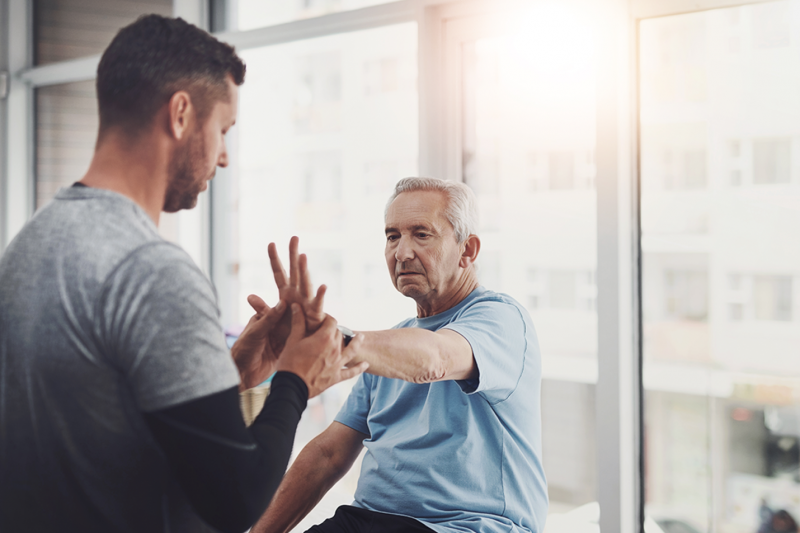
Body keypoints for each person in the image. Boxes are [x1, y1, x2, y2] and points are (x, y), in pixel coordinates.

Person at [0, 15, 366, 533]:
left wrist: (230, 374)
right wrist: (296, 379)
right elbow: (236, 500)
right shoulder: (152, 271)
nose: (223, 158)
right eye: (222, 131)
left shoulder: (29, 243)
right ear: (179, 113)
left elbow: (97, 417)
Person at [253, 177, 548, 533]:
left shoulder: (501, 318)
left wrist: (324, 340)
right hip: (367, 520)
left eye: (421, 234)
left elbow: (435, 359)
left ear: (467, 251)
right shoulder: (390, 344)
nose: (402, 252)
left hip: (465, 526)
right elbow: (328, 454)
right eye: (393, 236)